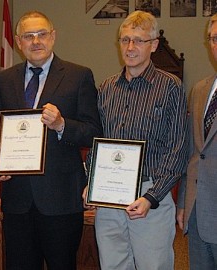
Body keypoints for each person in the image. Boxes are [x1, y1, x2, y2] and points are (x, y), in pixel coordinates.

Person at [0, 10, 102, 270]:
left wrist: (62, 125)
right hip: (17, 200)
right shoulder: (4, 80)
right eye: (28, 36)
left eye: (42, 34)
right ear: (18, 41)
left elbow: (94, 131)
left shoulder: (78, 75)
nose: (36, 41)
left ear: (53, 36)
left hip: (60, 199)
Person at [83, 10, 188, 270]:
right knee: (113, 265)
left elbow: (177, 150)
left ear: (153, 45)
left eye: (138, 40)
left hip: (149, 197)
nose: (130, 47)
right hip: (109, 201)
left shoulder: (170, 87)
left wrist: (151, 197)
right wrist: (92, 184)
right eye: (125, 40)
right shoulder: (106, 88)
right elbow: (100, 140)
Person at [177, 13, 217, 270]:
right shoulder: (201, 90)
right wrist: (183, 203)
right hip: (198, 212)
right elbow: (194, 153)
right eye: (214, 38)